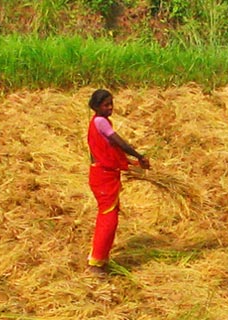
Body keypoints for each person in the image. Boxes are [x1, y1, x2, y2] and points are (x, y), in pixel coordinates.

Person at [86, 89, 150, 276]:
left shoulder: (99, 122)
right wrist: (139, 156)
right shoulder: (100, 122)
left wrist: (131, 163)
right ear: (96, 107)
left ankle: (100, 259)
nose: (110, 107)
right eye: (106, 105)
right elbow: (120, 143)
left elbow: (111, 150)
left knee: (110, 216)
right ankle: (95, 264)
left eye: (111, 103)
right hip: (103, 177)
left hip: (105, 175)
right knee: (108, 219)